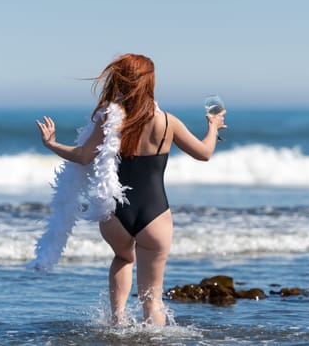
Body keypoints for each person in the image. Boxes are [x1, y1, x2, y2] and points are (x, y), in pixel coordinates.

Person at [35, 53, 226, 326]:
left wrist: (51, 144)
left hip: (114, 215)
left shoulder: (110, 119)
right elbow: (204, 153)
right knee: (153, 300)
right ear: (149, 83)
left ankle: (117, 322)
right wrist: (213, 127)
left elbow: (82, 156)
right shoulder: (167, 122)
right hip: (155, 217)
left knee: (123, 257)